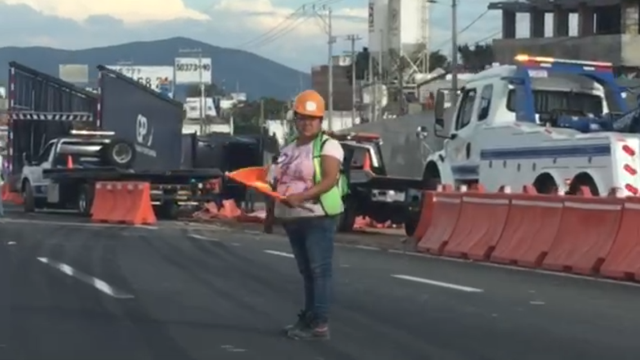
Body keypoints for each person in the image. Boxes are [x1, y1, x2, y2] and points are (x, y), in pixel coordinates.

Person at [274, 89, 345, 340]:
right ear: (295, 119)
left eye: (311, 118)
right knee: (307, 272)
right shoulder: (289, 148)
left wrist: (300, 197)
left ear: (321, 120)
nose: (306, 123)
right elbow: (276, 179)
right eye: (302, 118)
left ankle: (319, 324)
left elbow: (328, 180)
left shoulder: (329, 146)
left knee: (319, 271)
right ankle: (309, 316)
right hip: (293, 218)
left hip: (318, 215)